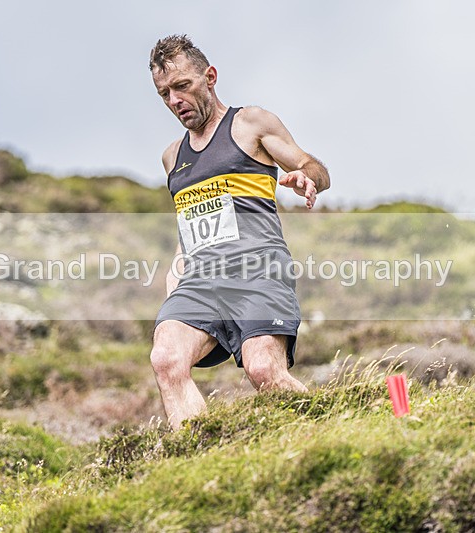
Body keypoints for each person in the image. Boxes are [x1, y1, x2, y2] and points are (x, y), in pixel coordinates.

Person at [149, 35, 330, 430]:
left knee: (264, 370)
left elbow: (314, 167)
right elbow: (189, 229)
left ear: (210, 77)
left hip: (258, 273)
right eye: (164, 94)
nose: (174, 100)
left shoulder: (250, 124)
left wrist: (304, 177)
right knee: (166, 359)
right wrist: (174, 278)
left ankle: (330, 431)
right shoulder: (172, 157)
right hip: (199, 282)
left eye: (182, 86)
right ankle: (195, 464)